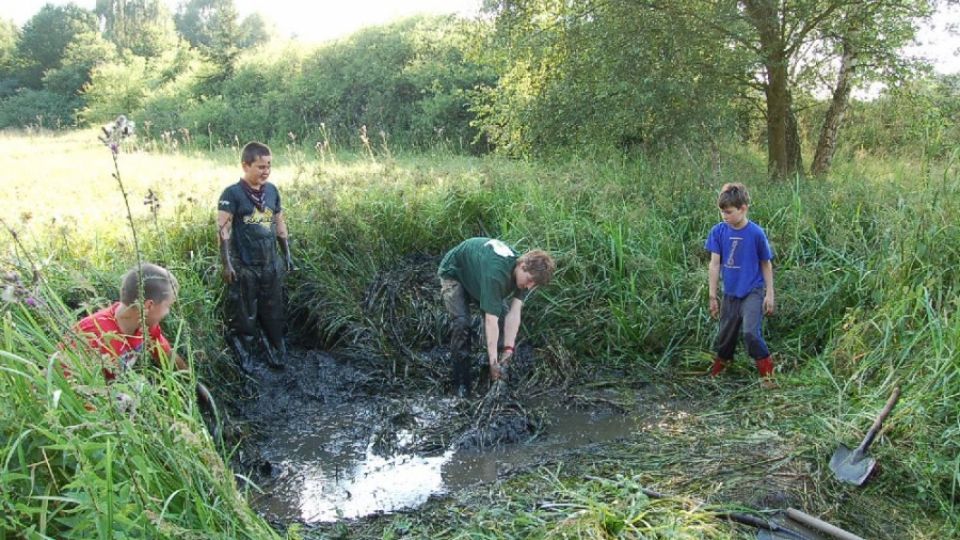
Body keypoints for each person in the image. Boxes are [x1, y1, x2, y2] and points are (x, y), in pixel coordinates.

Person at [438, 237, 556, 397]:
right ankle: (461, 384)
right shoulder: (497, 275)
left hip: (479, 276)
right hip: (455, 272)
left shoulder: (525, 276)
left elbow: (514, 314)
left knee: (502, 316)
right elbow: (490, 320)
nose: (529, 286)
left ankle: (496, 379)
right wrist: (494, 361)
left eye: (534, 285)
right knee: (462, 324)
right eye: (529, 281)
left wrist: (508, 351)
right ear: (522, 266)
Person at [217, 141, 293, 372]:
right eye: (260, 166)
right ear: (245, 166)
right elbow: (223, 230)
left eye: (269, 165)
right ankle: (246, 357)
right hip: (244, 266)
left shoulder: (272, 191)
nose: (266, 171)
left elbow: (279, 223)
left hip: (270, 263)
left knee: (273, 310)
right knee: (245, 314)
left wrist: (287, 254)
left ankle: (276, 351)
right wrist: (227, 264)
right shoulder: (231, 194)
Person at [705, 182, 777, 389]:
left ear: (743, 208)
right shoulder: (718, 232)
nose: (724, 216)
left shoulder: (756, 233)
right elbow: (714, 263)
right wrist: (712, 295)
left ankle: (768, 376)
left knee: (750, 333)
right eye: (721, 212)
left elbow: (766, 263)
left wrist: (769, 294)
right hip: (730, 292)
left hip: (752, 291)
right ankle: (720, 369)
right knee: (725, 336)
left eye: (728, 212)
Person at [73, 262, 186, 381]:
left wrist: (195, 386)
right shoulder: (92, 338)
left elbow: (168, 357)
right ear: (148, 306)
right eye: (168, 306)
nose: (168, 312)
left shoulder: (145, 325)